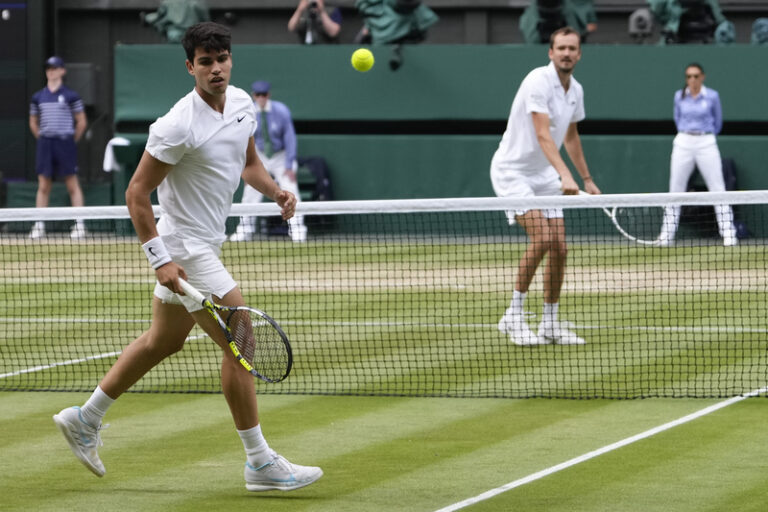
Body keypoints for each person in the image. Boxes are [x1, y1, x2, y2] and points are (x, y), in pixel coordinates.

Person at [52, 22, 323, 492]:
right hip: (185, 247)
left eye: (221, 59)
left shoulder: (240, 105)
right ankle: (259, 463)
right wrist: (160, 258)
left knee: (163, 342)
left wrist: (276, 191)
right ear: (190, 67)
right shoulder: (177, 125)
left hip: (207, 242)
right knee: (243, 343)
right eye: (205, 61)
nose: (215, 68)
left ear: (230, 60)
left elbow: (248, 163)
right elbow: (137, 193)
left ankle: (84, 417)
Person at [491, 27, 600, 346]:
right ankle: (514, 315)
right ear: (550, 52)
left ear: (579, 54)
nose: (567, 53)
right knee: (543, 237)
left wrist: (587, 180)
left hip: (544, 174)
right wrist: (565, 175)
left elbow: (570, 136)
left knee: (560, 247)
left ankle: (549, 323)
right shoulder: (537, 81)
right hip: (513, 172)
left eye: (572, 48)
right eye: (561, 48)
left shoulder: (575, 91)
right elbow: (542, 134)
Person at [658, 63, 737, 247]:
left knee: (717, 187)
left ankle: (729, 235)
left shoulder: (712, 96)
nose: (692, 80)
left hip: (706, 142)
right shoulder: (679, 96)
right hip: (683, 141)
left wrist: (705, 136)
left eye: (695, 76)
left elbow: (717, 122)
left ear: (702, 77)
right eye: (688, 76)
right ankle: (666, 236)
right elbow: (678, 119)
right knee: (675, 189)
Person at [229, 81, 307, 243]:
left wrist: (289, 165)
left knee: (290, 189)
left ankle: (298, 230)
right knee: (250, 193)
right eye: (258, 95)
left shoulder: (281, 111)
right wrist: (248, 168)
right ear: (254, 96)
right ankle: (244, 231)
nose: (261, 98)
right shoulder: (248, 112)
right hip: (260, 155)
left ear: (268, 95)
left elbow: (290, 138)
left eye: (264, 95)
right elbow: (245, 140)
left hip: (281, 155)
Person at [28, 56, 88, 240]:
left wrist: (69, 140)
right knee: (43, 185)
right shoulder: (38, 97)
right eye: (48, 68)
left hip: (65, 143)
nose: (51, 71)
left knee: (72, 184)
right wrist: (44, 138)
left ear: (62, 70)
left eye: (55, 68)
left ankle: (79, 225)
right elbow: (33, 122)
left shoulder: (71, 96)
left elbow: (81, 122)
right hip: (46, 144)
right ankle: (39, 225)